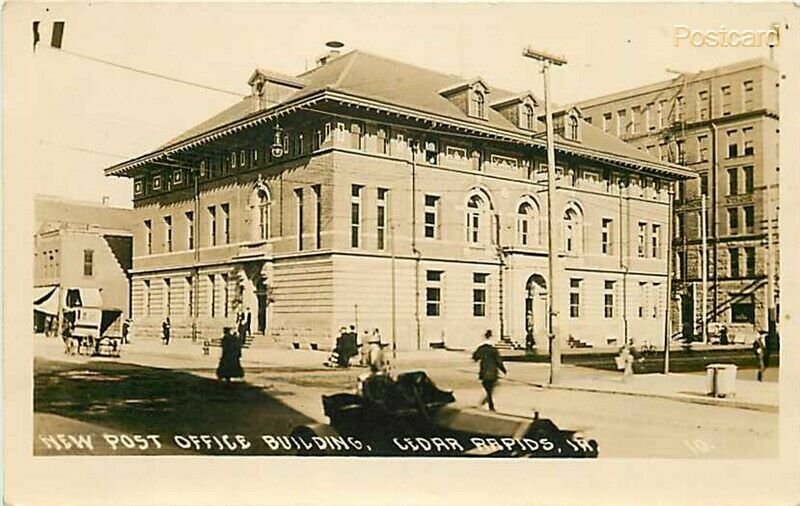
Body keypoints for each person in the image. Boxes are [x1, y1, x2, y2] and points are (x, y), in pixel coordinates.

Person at [472, 330, 506, 411]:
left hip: (484, 371)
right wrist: (503, 369)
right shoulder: (493, 350)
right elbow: (498, 361)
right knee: (490, 388)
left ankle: (489, 402)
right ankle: (490, 403)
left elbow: (475, 357)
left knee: (488, 388)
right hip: (493, 372)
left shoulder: (481, 348)